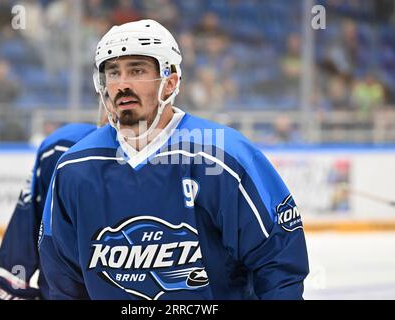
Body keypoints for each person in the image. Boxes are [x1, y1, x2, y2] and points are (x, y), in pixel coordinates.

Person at [39, 19, 309, 300]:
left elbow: (277, 260)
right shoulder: (75, 167)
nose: (122, 84)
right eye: (113, 72)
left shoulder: (222, 156)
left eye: (137, 70)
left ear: (171, 82)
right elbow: (62, 279)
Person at [0, 123, 97, 300]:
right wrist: (12, 283)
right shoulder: (63, 146)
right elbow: (30, 214)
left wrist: (11, 283)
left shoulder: (65, 143)